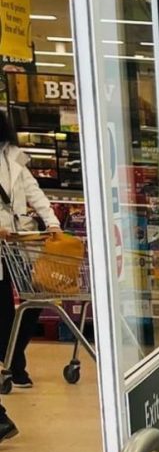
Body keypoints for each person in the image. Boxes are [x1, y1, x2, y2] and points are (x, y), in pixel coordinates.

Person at [0, 110, 63, 401]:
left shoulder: (14, 156)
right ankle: (15, 367)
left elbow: (34, 192)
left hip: (20, 241)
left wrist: (52, 223)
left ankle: (12, 358)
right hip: (2, 241)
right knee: (3, 311)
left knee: (36, 297)